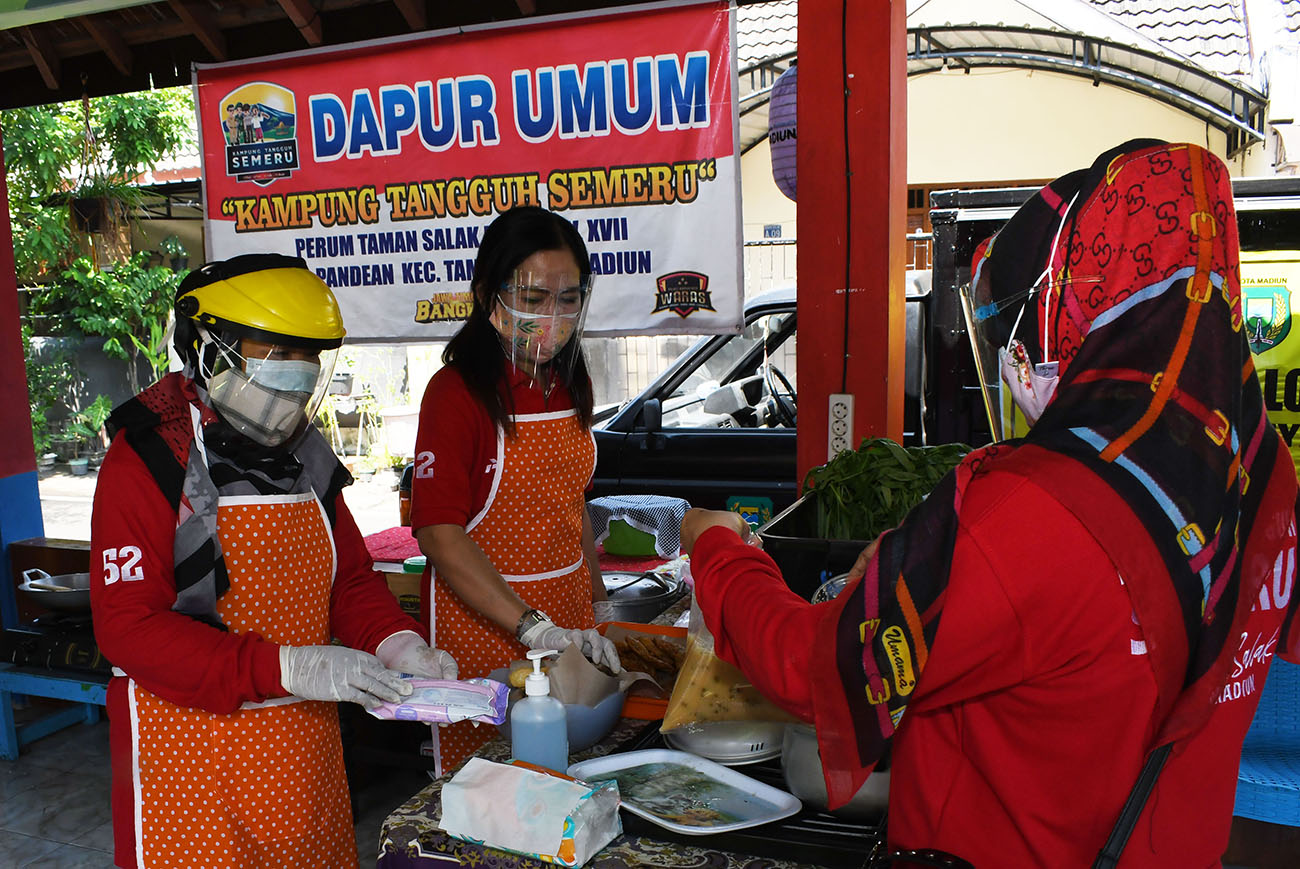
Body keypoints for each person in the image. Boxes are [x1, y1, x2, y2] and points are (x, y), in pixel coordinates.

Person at [679, 140, 1300, 867]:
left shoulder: (1041, 506)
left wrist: (718, 550)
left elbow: (814, 665)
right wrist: (937, 572)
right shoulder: (1262, 475)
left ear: (1083, 293)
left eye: (1024, 321)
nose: (1016, 357)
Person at [91, 253, 458, 868]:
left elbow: (348, 580)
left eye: (309, 356)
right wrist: (286, 665)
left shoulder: (304, 454)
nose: (300, 373)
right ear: (209, 350)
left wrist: (397, 642)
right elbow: (128, 627)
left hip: (303, 755)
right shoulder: (149, 455)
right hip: (190, 763)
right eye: (279, 353)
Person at [411, 206, 620, 772]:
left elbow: (571, 499)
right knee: (493, 785)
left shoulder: (570, 379)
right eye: (532, 299)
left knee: (570, 771)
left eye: (568, 299)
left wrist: (598, 602)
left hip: (569, 614)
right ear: (488, 295)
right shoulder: (456, 394)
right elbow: (439, 533)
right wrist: (531, 626)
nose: (551, 317)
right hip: (487, 627)